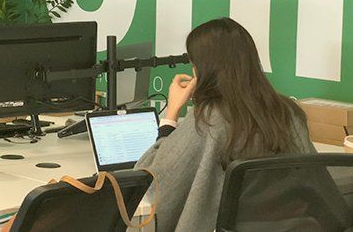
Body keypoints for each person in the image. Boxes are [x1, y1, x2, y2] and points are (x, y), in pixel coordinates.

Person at [135, 17, 314, 231]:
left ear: (204, 69)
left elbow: (154, 181)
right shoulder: (289, 112)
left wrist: (171, 115)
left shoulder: (209, 120)